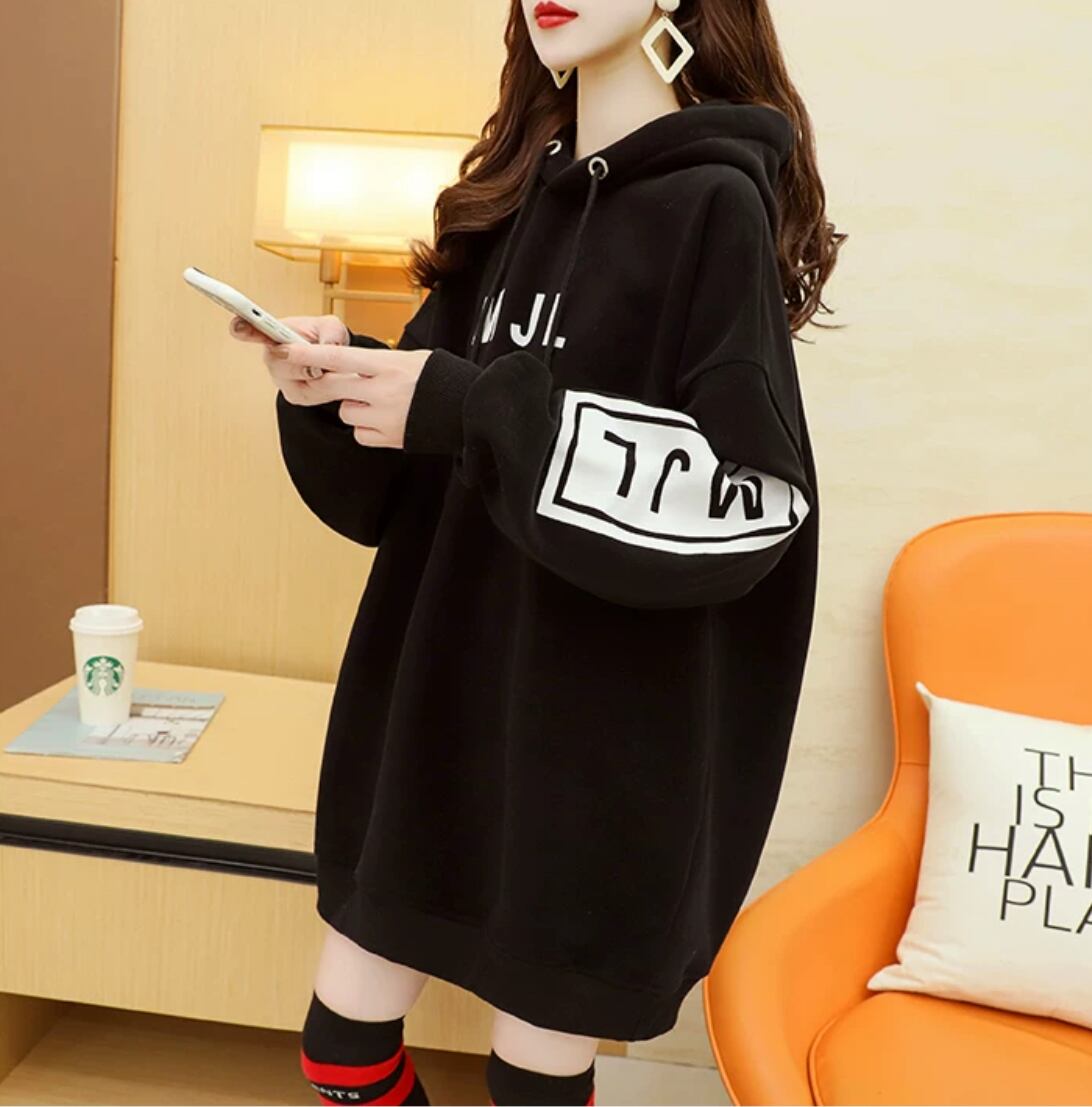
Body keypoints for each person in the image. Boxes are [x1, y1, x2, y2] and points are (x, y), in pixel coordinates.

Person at [232, 1, 843, 1103]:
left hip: (596, 748)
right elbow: (405, 485)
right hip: (440, 716)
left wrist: (474, 409)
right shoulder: (509, 203)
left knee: (533, 1084)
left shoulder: (714, 206)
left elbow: (750, 500)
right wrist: (335, 383)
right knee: (341, 1052)